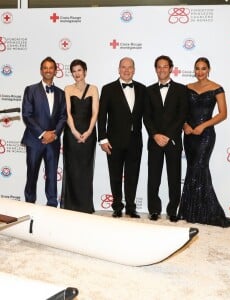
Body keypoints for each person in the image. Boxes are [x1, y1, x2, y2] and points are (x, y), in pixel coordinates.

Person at [177, 57, 230, 228]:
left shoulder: (217, 88)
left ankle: (207, 212)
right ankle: (191, 211)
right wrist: (185, 125)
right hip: (189, 135)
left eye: (203, 68)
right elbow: (181, 111)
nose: (200, 72)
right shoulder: (187, 88)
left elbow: (223, 113)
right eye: (197, 68)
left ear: (209, 69)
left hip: (206, 135)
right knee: (192, 169)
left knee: (200, 167)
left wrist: (203, 126)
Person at [97, 57, 146, 218]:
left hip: (135, 141)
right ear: (119, 69)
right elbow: (101, 116)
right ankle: (117, 206)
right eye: (123, 67)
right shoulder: (108, 89)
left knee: (133, 175)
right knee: (115, 175)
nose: (126, 70)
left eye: (130, 67)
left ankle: (131, 207)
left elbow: (149, 116)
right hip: (113, 141)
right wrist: (102, 139)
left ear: (134, 69)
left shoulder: (142, 89)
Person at [143, 55, 188, 222]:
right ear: (156, 69)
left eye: (165, 66)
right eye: (159, 67)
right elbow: (146, 117)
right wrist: (155, 135)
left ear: (171, 68)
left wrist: (168, 135)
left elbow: (182, 115)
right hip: (154, 141)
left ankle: (173, 210)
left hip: (173, 140)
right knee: (153, 177)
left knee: (174, 177)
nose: (162, 69)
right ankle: (154, 209)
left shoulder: (182, 90)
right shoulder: (148, 91)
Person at [21, 56, 66, 207]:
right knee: (32, 174)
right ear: (41, 70)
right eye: (45, 68)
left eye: (51, 68)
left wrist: (54, 134)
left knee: (52, 175)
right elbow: (27, 115)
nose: (48, 70)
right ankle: (29, 204)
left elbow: (63, 116)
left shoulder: (61, 93)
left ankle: (52, 205)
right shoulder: (31, 90)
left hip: (53, 142)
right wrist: (43, 133)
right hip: (34, 140)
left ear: (55, 71)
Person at [61, 59, 99, 213]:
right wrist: (75, 131)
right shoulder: (68, 89)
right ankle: (71, 206)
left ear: (85, 71)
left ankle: (85, 206)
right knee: (72, 169)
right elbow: (67, 113)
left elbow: (95, 112)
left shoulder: (94, 89)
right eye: (74, 71)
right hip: (71, 134)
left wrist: (89, 131)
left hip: (89, 134)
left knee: (85, 170)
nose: (77, 74)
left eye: (79, 70)